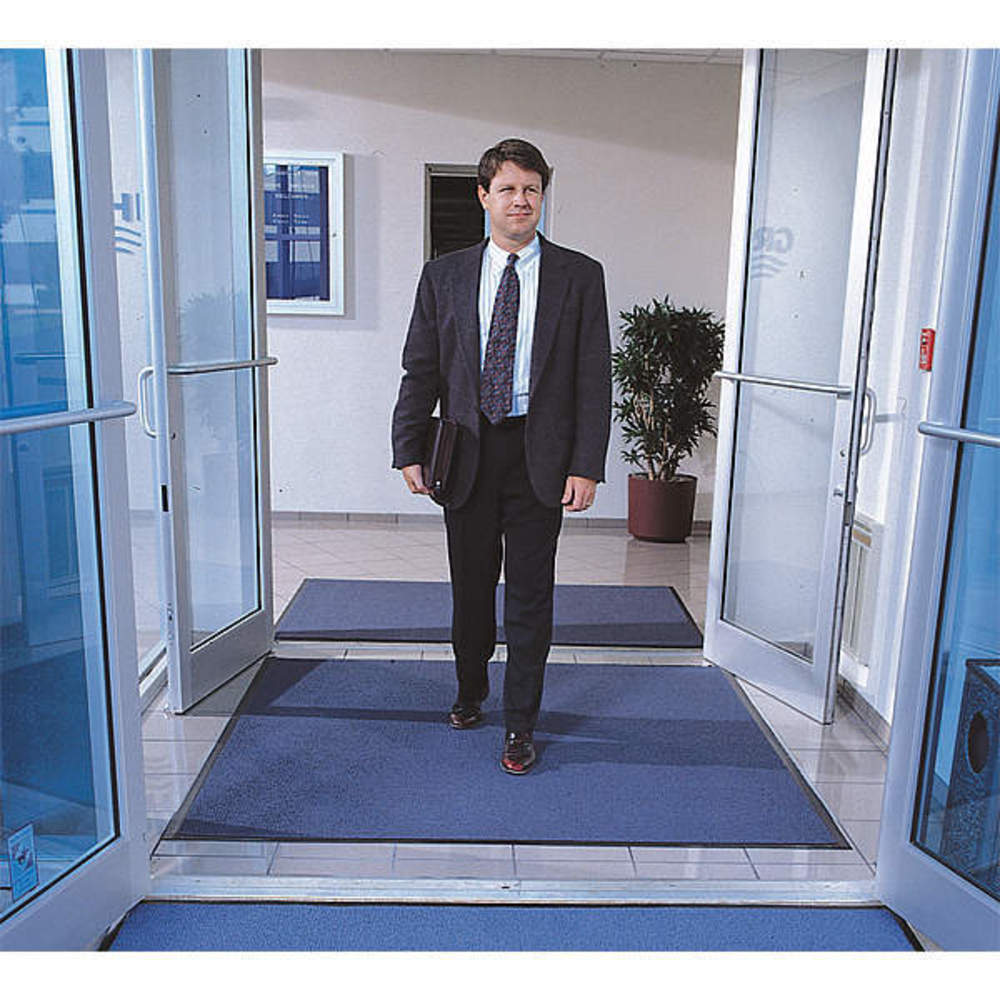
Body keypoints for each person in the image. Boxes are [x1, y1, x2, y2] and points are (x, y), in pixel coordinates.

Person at [391, 138, 611, 775]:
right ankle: (469, 690)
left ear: (543, 198)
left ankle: (521, 723)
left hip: (541, 457)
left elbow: (594, 377)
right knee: (471, 589)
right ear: (483, 196)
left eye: (532, 189)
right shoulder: (444, 276)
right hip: (466, 455)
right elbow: (421, 368)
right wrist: (409, 447)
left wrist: (586, 464)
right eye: (508, 189)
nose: (521, 200)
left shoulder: (579, 276)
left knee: (531, 597)